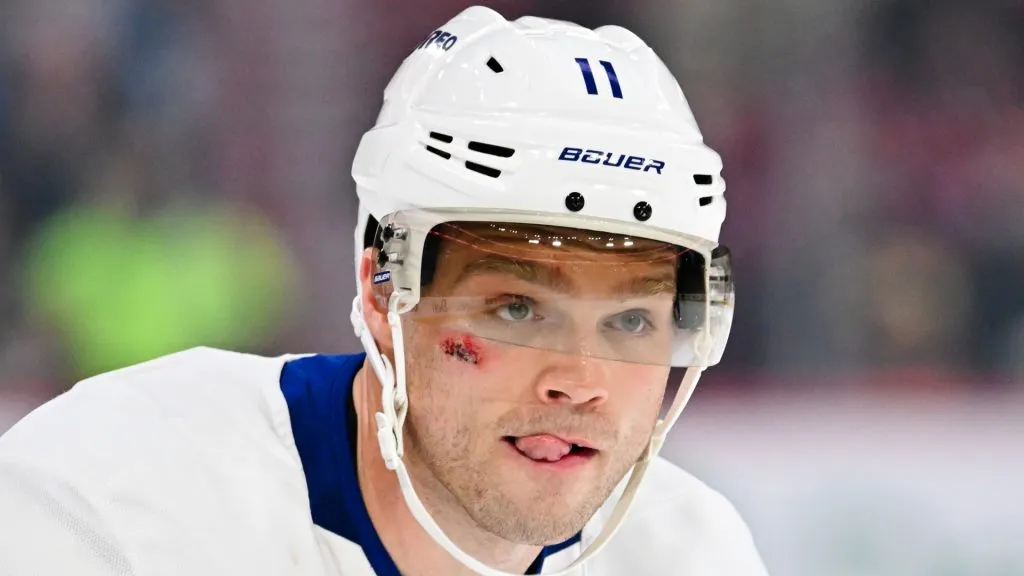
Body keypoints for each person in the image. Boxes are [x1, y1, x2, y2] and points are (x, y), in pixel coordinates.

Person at [0, 6, 768, 576]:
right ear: (381, 288)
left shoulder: (692, 553)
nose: (580, 383)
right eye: (518, 308)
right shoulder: (113, 500)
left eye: (632, 319)